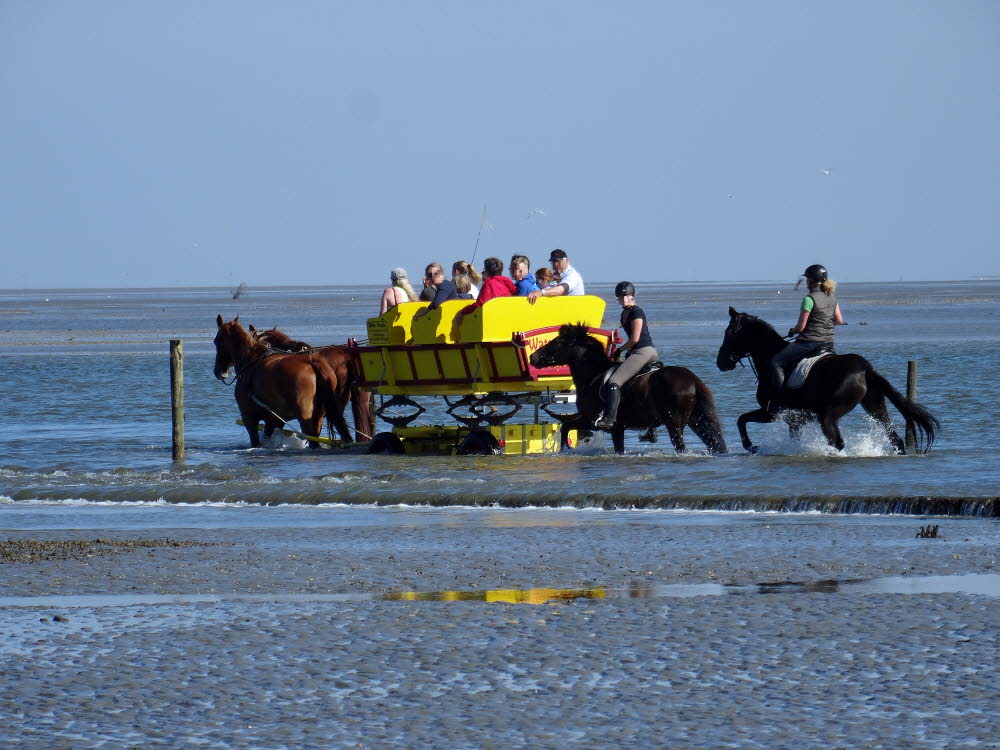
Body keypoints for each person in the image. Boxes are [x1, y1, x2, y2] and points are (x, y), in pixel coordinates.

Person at [767, 264, 844, 413]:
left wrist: (792, 331)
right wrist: (824, 326)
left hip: (809, 342)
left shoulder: (809, 298)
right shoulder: (832, 297)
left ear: (812, 281)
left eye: (808, 279)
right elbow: (839, 321)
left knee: (776, 361)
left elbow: (801, 328)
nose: (806, 282)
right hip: (828, 343)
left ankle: (780, 401)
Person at [594, 281, 659, 430]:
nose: (624, 298)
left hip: (643, 352)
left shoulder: (636, 311)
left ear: (632, 296)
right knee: (637, 388)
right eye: (621, 296)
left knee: (614, 382)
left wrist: (619, 350)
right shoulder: (624, 313)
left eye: (627, 295)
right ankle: (650, 428)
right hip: (638, 352)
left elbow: (635, 339)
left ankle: (610, 419)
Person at [455, 257, 515, 322]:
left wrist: (463, 312)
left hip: (494, 320)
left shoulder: (489, 284)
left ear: (487, 271)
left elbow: (480, 304)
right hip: (507, 318)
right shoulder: (507, 284)